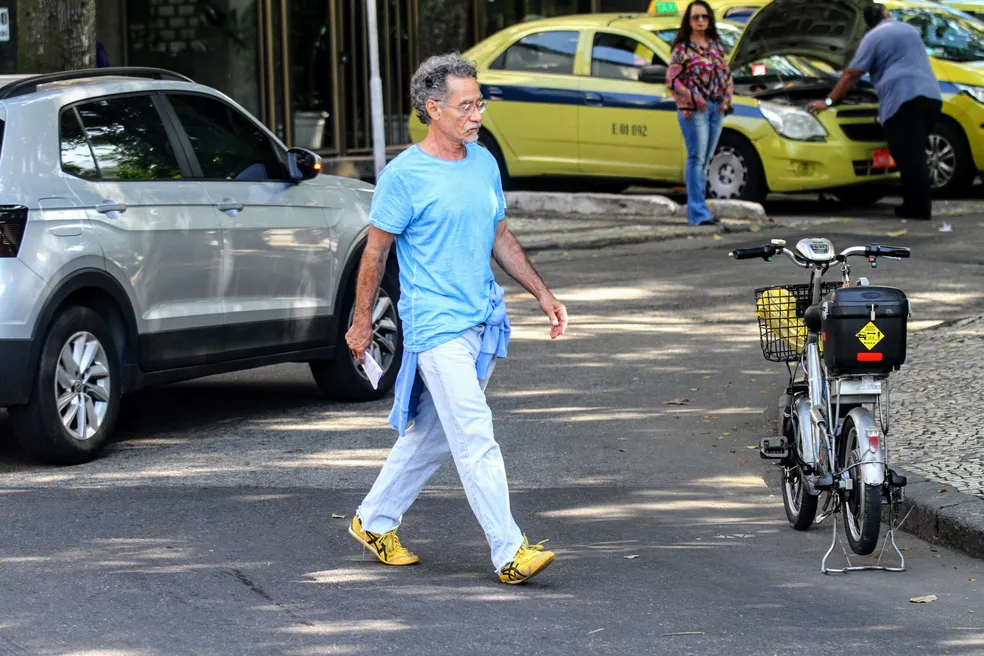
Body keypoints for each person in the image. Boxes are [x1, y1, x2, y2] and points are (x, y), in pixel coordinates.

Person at [344, 53, 569, 585]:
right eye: (466, 105)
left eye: (480, 103)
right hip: (436, 326)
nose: (477, 115)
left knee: (436, 436)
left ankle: (373, 521)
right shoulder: (404, 176)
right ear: (433, 109)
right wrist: (360, 323)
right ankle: (509, 551)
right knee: (474, 434)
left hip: (481, 318)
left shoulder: (482, 161)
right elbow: (374, 255)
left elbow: (497, 235)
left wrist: (541, 293)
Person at [808, 4, 942, 220]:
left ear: (867, 24)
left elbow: (853, 73)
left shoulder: (873, 36)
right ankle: (915, 204)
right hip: (932, 97)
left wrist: (828, 100)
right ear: (887, 15)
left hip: (904, 99)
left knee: (909, 157)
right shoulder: (908, 29)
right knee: (915, 153)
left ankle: (917, 209)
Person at [666, 0, 734, 227]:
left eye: (705, 17)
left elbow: (726, 72)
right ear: (689, 20)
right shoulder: (682, 48)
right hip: (695, 111)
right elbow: (672, 80)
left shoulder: (715, 44)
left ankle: (701, 210)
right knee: (696, 159)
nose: (701, 21)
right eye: (696, 17)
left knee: (705, 161)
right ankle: (697, 213)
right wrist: (696, 100)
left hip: (717, 108)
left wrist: (727, 98)